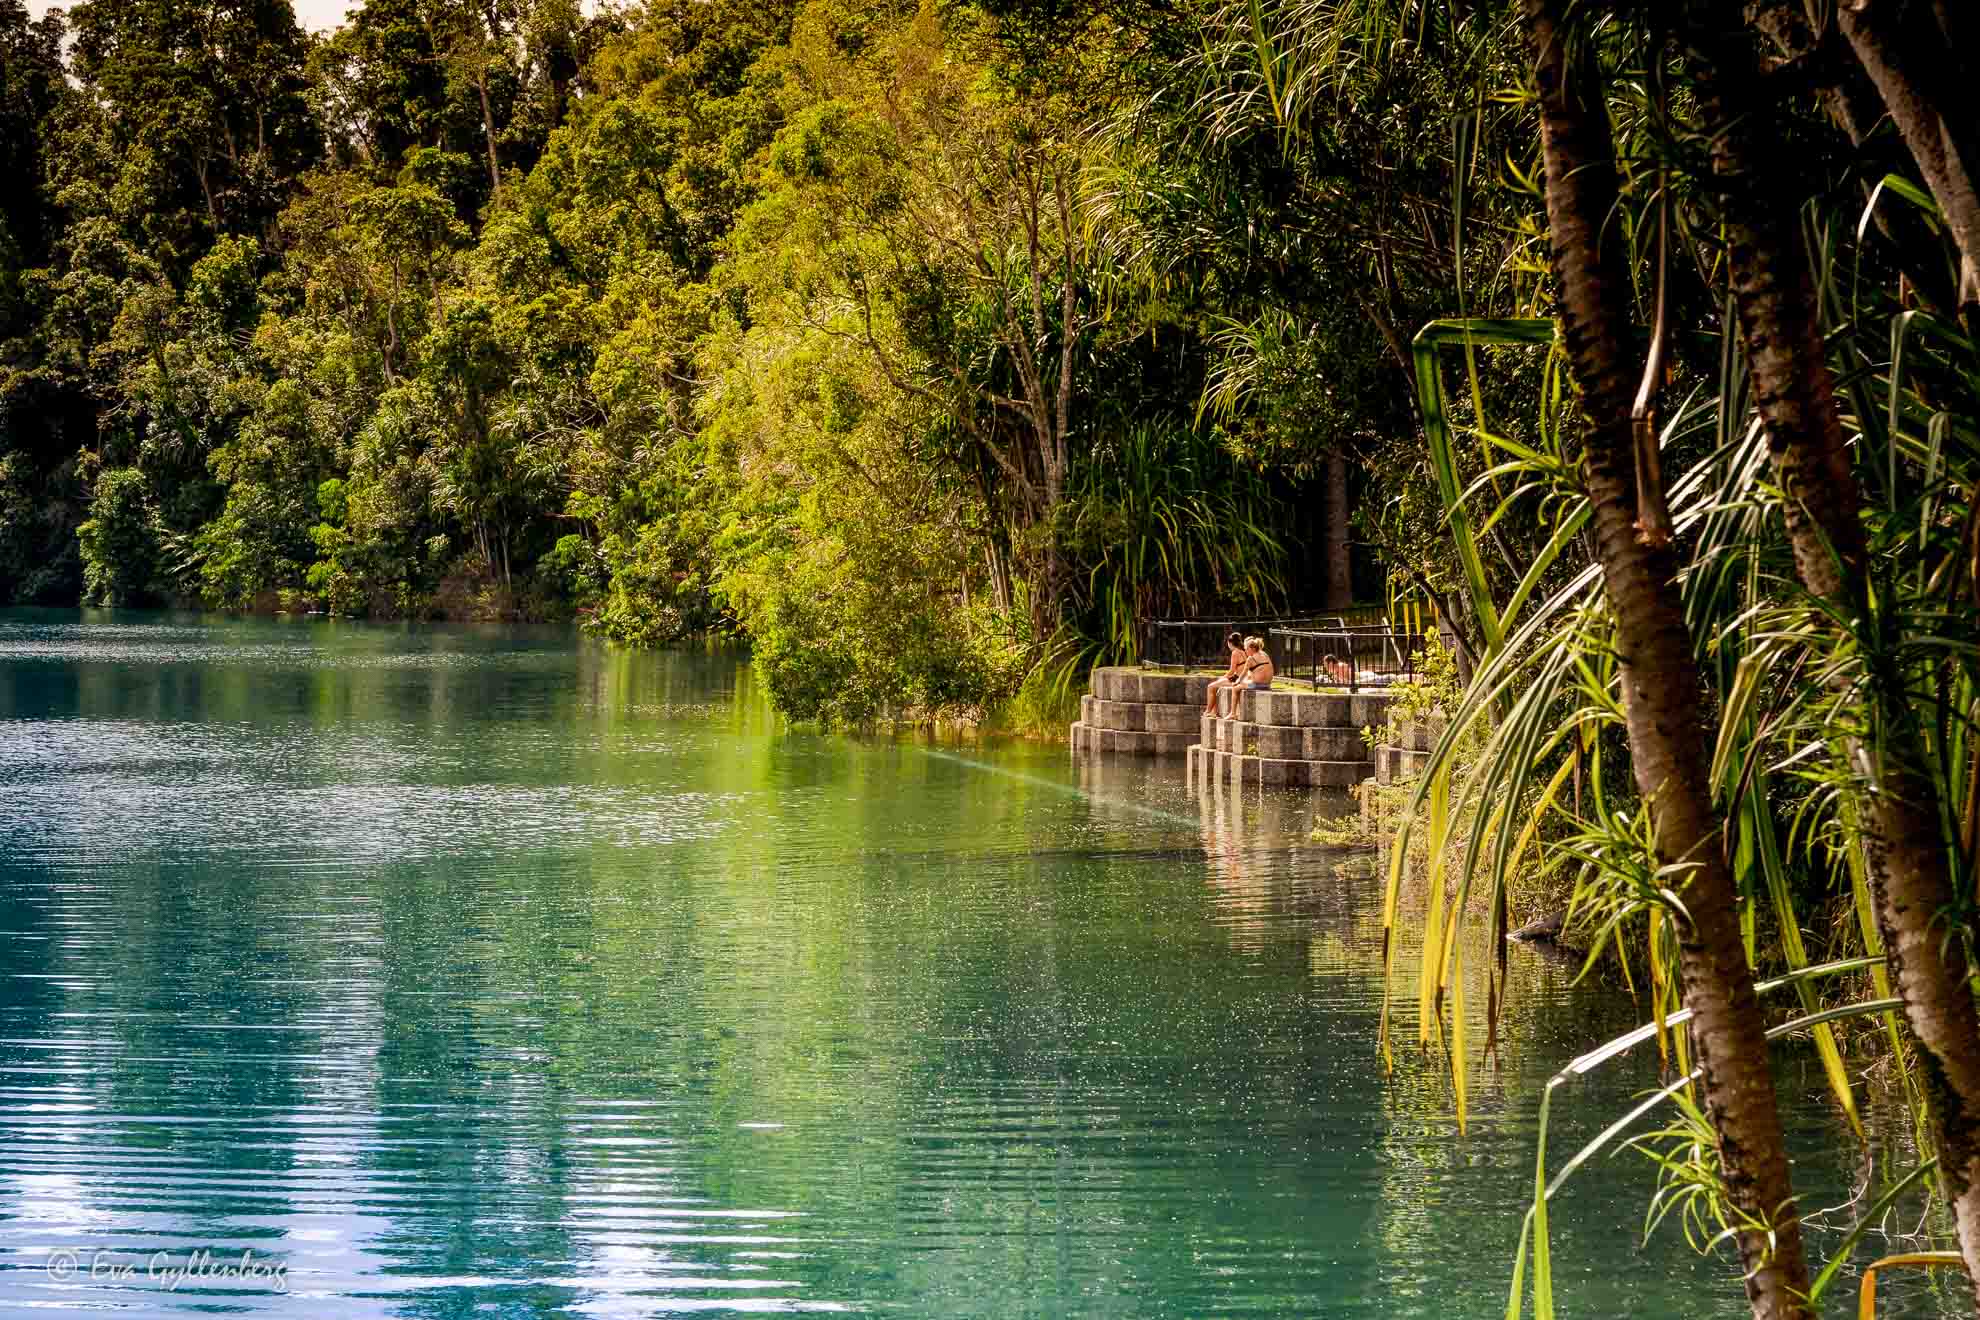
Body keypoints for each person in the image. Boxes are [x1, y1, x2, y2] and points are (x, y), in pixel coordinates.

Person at [1203, 631, 1247, 714]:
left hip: (1237, 679)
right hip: (1241, 677)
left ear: (1230, 643)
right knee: (1216, 684)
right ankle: (1214, 712)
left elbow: (1232, 671)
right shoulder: (1243, 651)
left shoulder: (1235, 652)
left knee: (1210, 687)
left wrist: (1224, 677)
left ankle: (1208, 711)